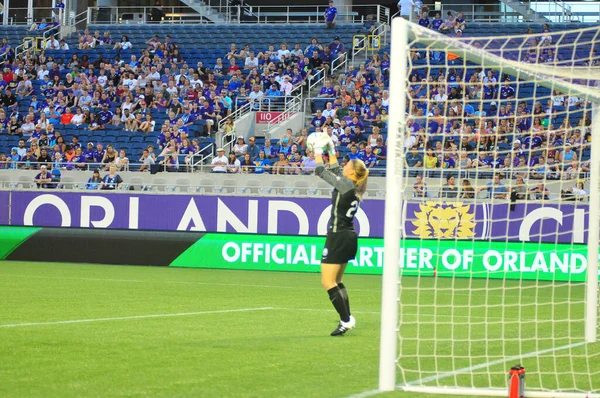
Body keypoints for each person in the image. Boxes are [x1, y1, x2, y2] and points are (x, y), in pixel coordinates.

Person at [309, 132, 369, 336]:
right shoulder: (351, 186)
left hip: (338, 236)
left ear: (352, 172)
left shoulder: (345, 185)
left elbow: (320, 170)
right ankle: (348, 316)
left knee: (327, 281)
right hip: (349, 236)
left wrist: (318, 150)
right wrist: (331, 149)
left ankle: (345, 321)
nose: (343, 166)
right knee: (337, 281)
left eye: (347, 166)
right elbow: (333, 169)